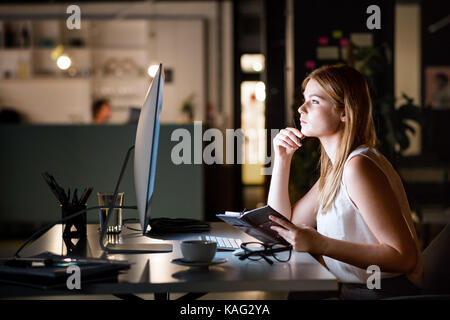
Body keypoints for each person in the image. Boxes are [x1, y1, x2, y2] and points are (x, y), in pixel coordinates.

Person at [268, 65, 423, 299]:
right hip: (356, 290)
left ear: (345, 113)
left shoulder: (358, 167)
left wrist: (321, 244)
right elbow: (281, 226)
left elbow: (404, 257)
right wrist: (282, 159)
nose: (301, 109)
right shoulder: (336, 169)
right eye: (304, 100)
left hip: (384, 293)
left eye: (315, 101)